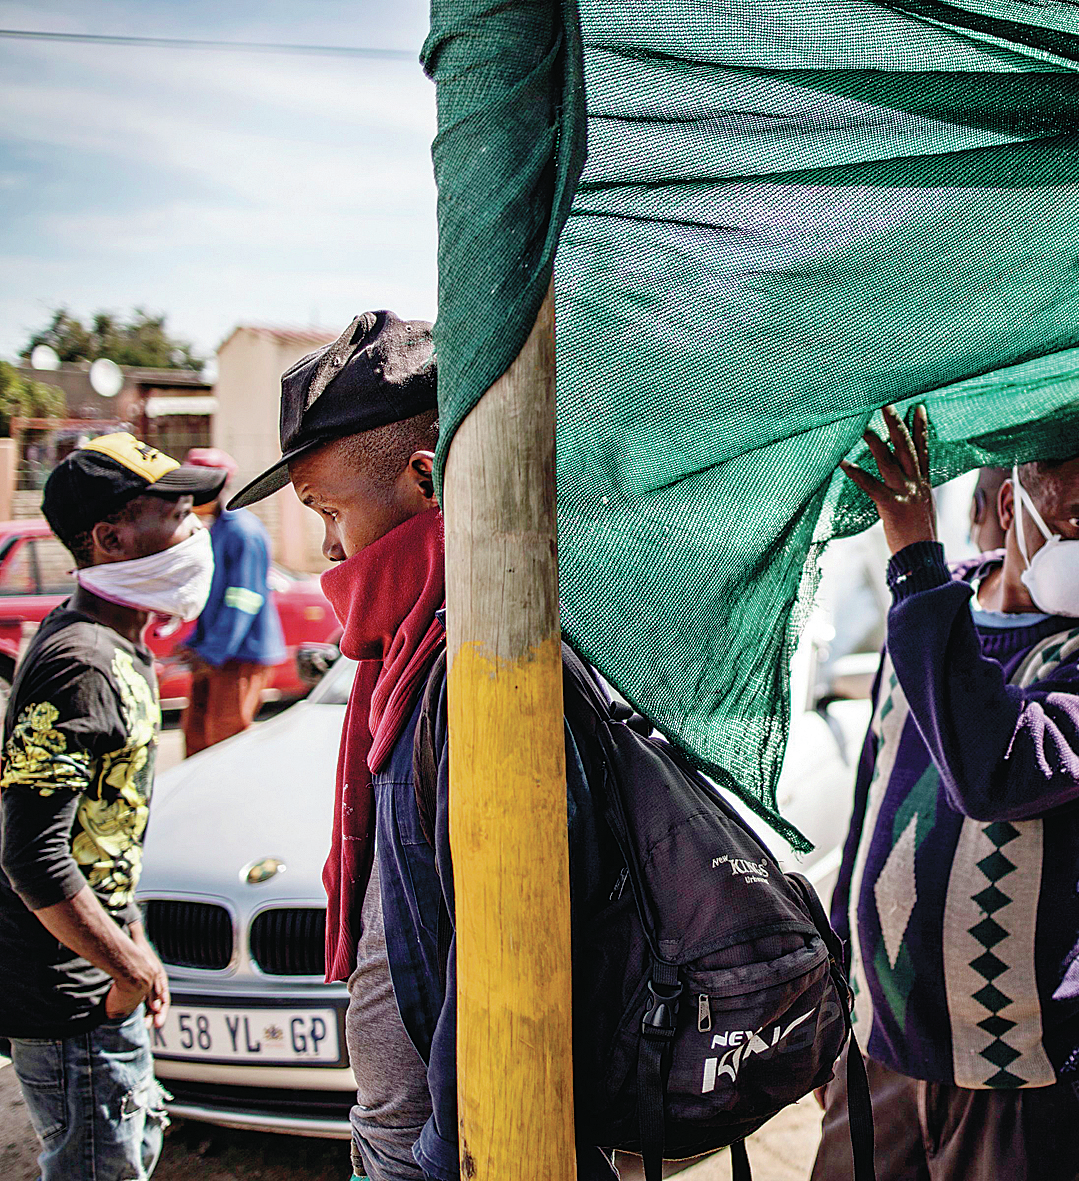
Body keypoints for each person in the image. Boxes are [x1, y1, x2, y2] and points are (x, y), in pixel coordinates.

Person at [227, 311, 617, 1181]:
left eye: (330, 511)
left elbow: (499, 957)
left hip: (456, 1150)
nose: (326, 547)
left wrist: (439, 1155)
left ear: (427, 480)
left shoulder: (480, 673)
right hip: (409, 1139)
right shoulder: (404, 659)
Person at [818, 406, 1079, 1181]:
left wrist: (914, 556)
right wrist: (835, 991)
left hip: (1025, 1072)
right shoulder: (935, 609)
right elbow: (873, 803)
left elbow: (998, 773)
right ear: (1016, 506)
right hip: (882, 1053)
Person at [0, 434, 227, 1181]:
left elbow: (103, 836)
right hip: (71, 1003)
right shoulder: (81, 662)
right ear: (110, 538)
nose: (197, 531)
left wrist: (133, 940)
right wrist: (127, 966)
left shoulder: (117, 645)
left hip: (98, 985)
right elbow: (32, 853)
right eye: (176, 514)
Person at [178, 447, 284, 754]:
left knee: (225, 741)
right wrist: (195, 641)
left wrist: (211, 651)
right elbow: (212, 598)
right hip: (215, 652)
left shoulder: (242, 532)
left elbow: (243, 600)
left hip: (239, 655)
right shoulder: (215, 530)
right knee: (196, 737)